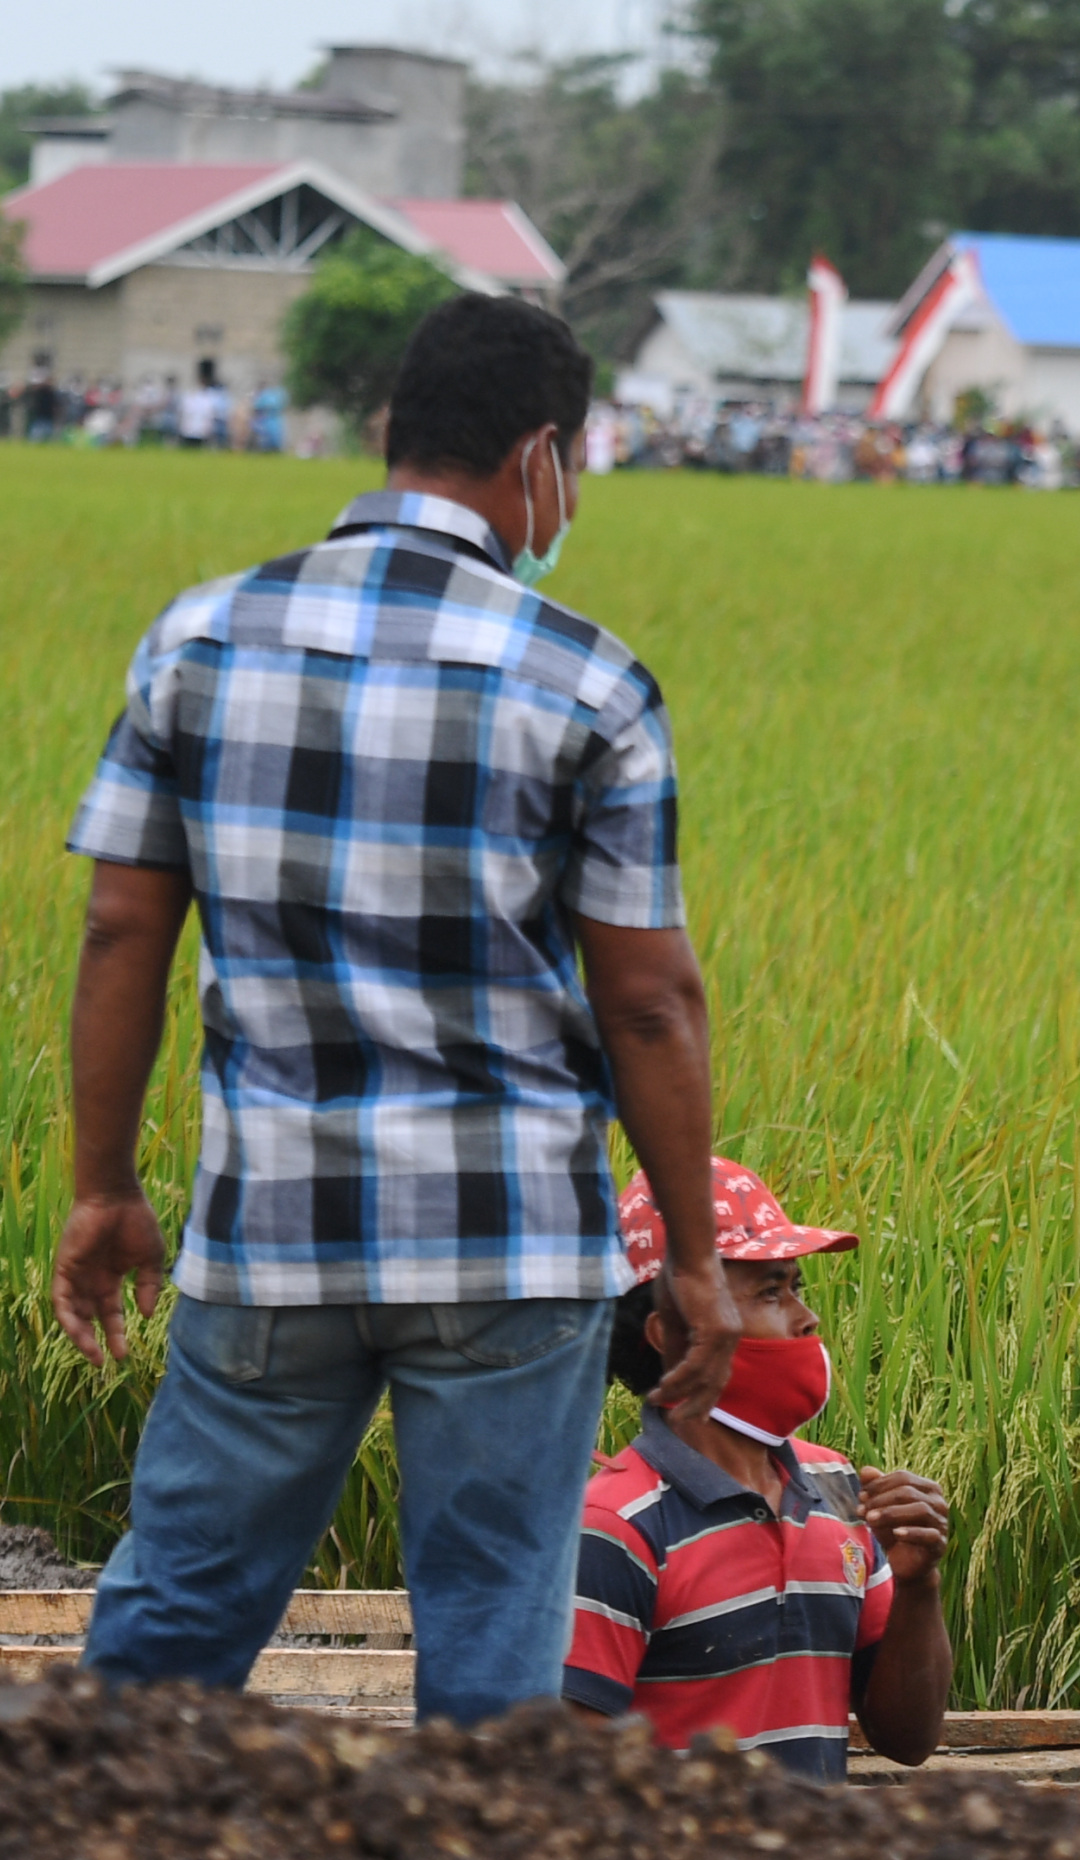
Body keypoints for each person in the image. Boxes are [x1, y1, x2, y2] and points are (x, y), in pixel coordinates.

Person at [51, 291, 741, 1723]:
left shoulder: (200, 638)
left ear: (390, 430)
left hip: (270, 1226)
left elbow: (122, 927)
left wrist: (104, 1187)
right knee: (495, 1633)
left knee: (177, 1605)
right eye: (573, 467)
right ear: (540, 456)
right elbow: (650, 1003)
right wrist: (690, 1252)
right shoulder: (588, 680)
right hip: (509, 1241)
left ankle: (83, 1843)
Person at [566, 1158, 955, 1777]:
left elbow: (909, 1739)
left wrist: (917, 1585)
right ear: (674, 1334)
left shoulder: (839, 1488)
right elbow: (576, 1777)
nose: (807, 1317)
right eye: (771, 1292)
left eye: (797, 1288)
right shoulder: (617, 1526)